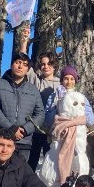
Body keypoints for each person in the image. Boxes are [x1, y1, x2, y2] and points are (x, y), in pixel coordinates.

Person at [0, 52, 45, 162]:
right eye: (18, 62)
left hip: (23, 142)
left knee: (19, 176)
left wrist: (25, 130)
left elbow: (40, 113)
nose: (20, 66)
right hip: (1, 139)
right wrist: (11, 129)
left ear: (28, 69)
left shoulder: (33, 90)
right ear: (11, 64)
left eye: (25, 64)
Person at [19, 32, 61, 170]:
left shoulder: (61, 85)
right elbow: (24, 63)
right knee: (31, 164)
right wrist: (24, 43)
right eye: (43, 64)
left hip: (52, 132)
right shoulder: (36, 80)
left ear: (54, 65)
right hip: (36, 130)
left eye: (49, 64)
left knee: (51, 165)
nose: (45, 66)